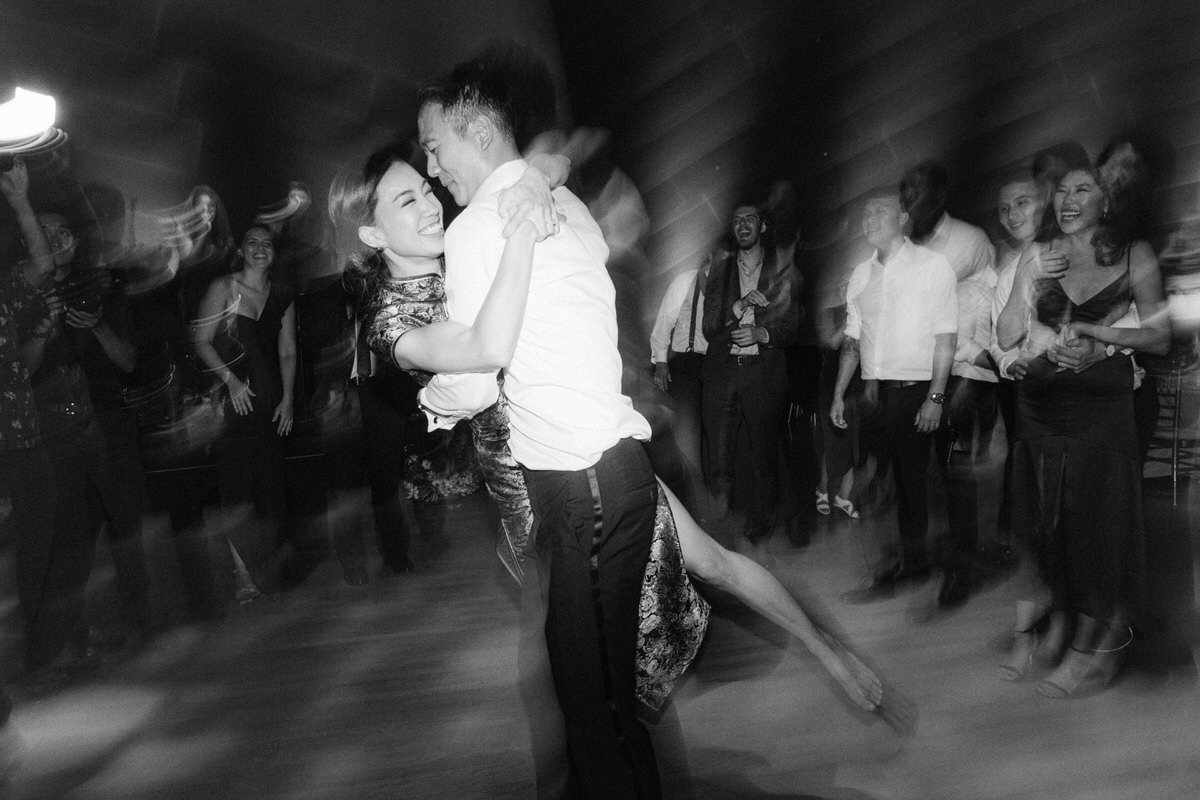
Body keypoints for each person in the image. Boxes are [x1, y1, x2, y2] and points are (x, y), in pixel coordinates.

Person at [399, 64, 905, 796]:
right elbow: (554, 169)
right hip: (612, 470)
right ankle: (825, 662)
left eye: (434, 144)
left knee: (590, 708)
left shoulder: (484, 227)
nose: (431, 163)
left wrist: (423, 368)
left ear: (474, 130)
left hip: (581, 490)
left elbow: (478, 373)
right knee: (606, 686)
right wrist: (545, 172)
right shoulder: (560, 204)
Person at [995, 143, 1170, 697]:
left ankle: (1088, 647)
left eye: (1082, 189)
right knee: (1045, 525)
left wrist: (1100, 336)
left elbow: (1160, 335)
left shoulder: (1133, 253)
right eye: (1063, 191)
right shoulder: (1039, 252)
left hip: (1101, 409)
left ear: (1107, 199)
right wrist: (1025, 280)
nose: (1068, 200)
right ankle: (1056, 624)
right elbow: (1004, 336)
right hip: (1041, 407)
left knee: (1095, 528)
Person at [831, 185, 958, 603]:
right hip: (873, 396)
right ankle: (891, 569)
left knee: (921, 487)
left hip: (918, 390)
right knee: (878, 487)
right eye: (865, 215)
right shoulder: (861, 275)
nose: (870, 221)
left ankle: (936, 572)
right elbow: (852, 339)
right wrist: (837, 395)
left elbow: (945, 336)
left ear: (903, 217)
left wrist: (935, 398)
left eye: (879, 213)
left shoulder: (931, 266)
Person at [900, 161, 999, 610]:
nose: (908, 199)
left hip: (962, 374)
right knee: (916, 473)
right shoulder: (904, 247)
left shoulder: (970, 241)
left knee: (954, 475)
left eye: (916, 191)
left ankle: (961, 569)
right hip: (917, 374)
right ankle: (918, 559)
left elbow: (982, 310)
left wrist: (966, 379)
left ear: (940, 195)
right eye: (904, 191)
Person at [192, 224, 297, 602]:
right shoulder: (223, 288)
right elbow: (200, 340)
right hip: (233, 407)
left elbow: (287, 351)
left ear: (274, 252)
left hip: (269, 407)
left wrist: (287, 399)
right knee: (237, 492)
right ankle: (243, 576)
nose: (259, 249)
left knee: (270, 489)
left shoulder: (282, 295)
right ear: (241, 249)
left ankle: (269, 567)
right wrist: (231, 381)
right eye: (252, 242)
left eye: (267, 244)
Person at [701, 200, 802, 541]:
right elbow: (710, 327)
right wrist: (739, 306)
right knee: (721, 453)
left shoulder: (780, 270)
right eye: (737, 220)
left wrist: (763, 333)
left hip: (762, 372)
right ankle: (723, 518)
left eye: (750, 219)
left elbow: (791, 326)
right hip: (725, 372)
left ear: (763, 227)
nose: (743, 225)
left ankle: (761, 522)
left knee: (763, 453)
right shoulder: (720, 270)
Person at [648, 253, 709, 507]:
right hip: (686, 361)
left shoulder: (734, 283)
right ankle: (689, 499)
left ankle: (708, 493)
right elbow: (664, 321)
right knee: (687, 430)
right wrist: (660, 361)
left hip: (718, 364)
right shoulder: (685, 280)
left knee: (710, 431)